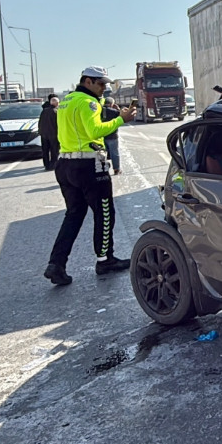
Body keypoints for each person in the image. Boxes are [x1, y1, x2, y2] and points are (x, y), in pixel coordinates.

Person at [43, 67, 137, 286]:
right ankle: (105, 260)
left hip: (65, 164)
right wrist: (121, 119)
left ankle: (56, 264)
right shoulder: (88, 103)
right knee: (104, 212)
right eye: (100, 83)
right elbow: (94, 130)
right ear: (87, 82)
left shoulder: (67, 101)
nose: (104, 88)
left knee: (74, 214)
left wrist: (112, 112)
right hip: (88, 165)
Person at [100, 97, 122, 174]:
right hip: (113, 136)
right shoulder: (114, 111)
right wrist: (118, 109)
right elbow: (122, 117)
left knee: (102, 154)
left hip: (102, 136)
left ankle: (103, 170)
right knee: (114, 153)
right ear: (111, 104)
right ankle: (116, 169)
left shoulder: (99, 111)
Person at [39, 94, 60, 171]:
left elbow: (40, 122)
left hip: (44, 134)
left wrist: (40, 131)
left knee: (45, 150)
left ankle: (46, 165)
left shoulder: (44, 111)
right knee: (54, 150)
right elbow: (58, 124)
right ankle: (53, 164)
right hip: (53, 134)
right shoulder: (56, 111)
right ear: (56, 103)